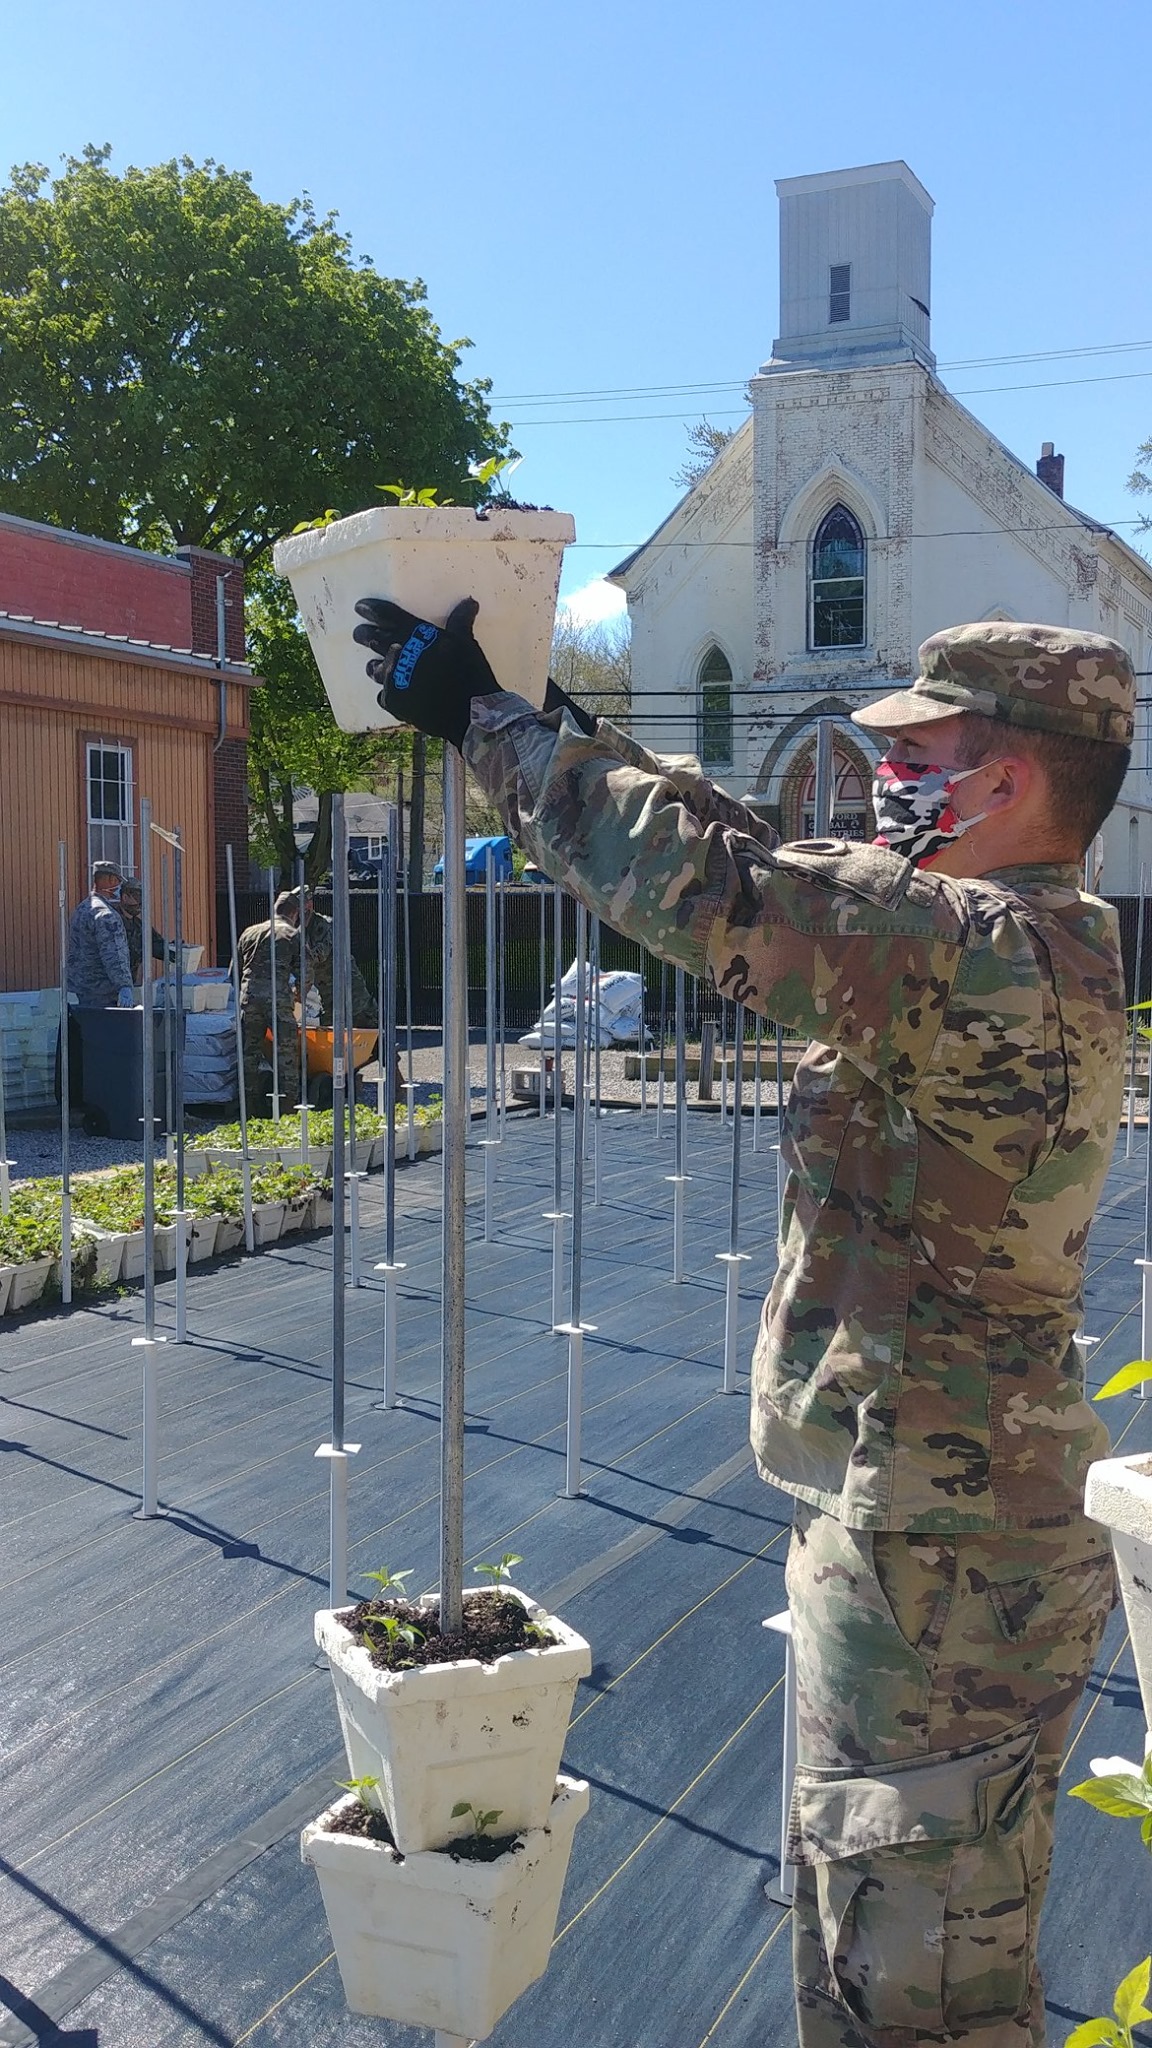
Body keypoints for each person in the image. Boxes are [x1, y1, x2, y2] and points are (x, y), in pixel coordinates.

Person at [353, 595, 1133, 2048]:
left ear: (1011, 777)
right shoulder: (1028, 948)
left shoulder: (971, 949)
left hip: (939, 1560)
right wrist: (562, 730)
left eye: (920, 754)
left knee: (916, 1997)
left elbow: (714, 889)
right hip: (946, 1535)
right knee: (895, 1939)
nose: (886, 775)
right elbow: (768, 863)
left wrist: (489, 725)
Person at [236, 897, 307, 1117]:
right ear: (294, 913)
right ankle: (287, 1112)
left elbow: (235, 969)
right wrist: (299, 996)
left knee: (249, 1054)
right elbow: (305, 972)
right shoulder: (292, 934)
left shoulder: (250, 932)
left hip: (249, 998)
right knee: (286, 1055)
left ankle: (248, 1111)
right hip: (278, 1002)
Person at [67, 859, 134, 1011]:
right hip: (103, 991)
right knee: (106, 1032)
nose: (119, 886)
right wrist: (124, 985)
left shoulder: (82, 909)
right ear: (110, 879)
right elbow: (114, 953)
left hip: (81, 989)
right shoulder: (106, 915)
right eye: (117, 880)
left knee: (88, 1032)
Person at [116, 876, 176, 982]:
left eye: (142, 898)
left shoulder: (140, 926)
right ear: (125, 897)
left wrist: (175, 949)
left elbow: (156, 945)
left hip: (129, 984)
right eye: (137, 897)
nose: (140, 903)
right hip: (106, 987)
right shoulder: (111, 921)